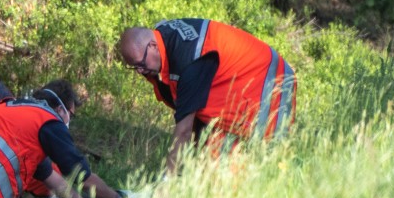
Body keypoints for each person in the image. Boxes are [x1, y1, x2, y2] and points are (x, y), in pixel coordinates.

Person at [117, 19, 296, 171]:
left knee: (271, 158)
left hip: (269, 80)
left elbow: (184, 131)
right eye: (134, 67)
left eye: (141, 63)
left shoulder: (188, 62)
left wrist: (168, 179)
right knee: (215, 173)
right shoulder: (163, 42)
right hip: (230, 93)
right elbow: (194, 120)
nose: (140, 71)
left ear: (153, 46)